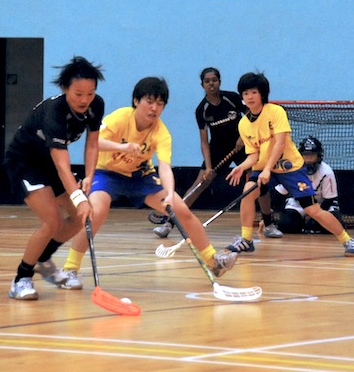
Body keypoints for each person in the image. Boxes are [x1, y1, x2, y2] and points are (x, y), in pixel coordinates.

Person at [39, 77, 237, 291]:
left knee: (181, 210)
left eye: (160, 104)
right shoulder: (120, 118)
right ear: (136, 101)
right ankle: (71, 269)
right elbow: (94, 142)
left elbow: (164, 166)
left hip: (140, 177)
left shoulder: (161, 132)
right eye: (149, 101)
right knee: (96, 211)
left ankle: (213, 262)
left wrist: (170, 192)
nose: (154, 108)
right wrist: (122, 148)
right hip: (107, 174)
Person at [4, 56, 105, 301]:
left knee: (78, 219)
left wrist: (89, 177)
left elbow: (92, 145)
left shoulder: (96, 105)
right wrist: (80, 197)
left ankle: (42, 259)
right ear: (64, 88)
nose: (84, 100)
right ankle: (21, 279)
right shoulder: (54, 113)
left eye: (90, 93)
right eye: (78, 93)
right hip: (25, 162)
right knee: (53, 222)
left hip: (49, 164)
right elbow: (62, 165)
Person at [225, 72, 354, 256]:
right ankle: (246, 239)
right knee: (247, 192)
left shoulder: (276, 111)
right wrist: (241, 166)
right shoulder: (243, 124)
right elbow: (253, 155)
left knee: (313, 210)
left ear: (262, 94)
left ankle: (347, 240)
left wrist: (266, 170)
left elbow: (279, 144)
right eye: (246, 93)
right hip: (264, 167)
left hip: (290, 168)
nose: (250, 97)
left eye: (254, 92)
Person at [152, 67, 282, 239]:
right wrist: (208, 167)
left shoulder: (233, 98)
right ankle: (170, 223)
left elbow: (252, 114)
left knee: (258, 183)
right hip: (218, 149)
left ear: (219, 82)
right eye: (207, 81)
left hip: (244, 145)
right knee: (200, 183)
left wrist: (243, 138)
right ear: (202, 85)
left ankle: (269, 224)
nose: (211, 84)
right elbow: (204, 141)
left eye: (214, 80)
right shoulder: (202, 110)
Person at [274, 136, 344, 234]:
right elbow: (280, 192)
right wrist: (271, 211)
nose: (309, 159)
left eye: (312, 155)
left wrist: (316, 217)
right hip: (299, 203)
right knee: (286, 225)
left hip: (321, 204)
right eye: (306, 155)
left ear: (318, 156)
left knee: (329, 226)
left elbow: (329, 199)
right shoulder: (293, 169)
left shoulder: (326, 172)